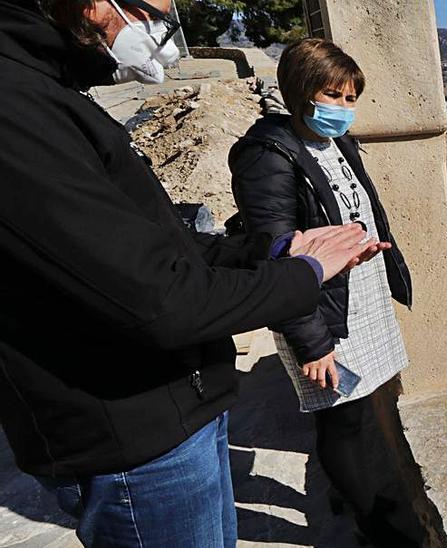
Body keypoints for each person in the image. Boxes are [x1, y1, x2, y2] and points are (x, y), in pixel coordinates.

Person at [0, 1, 387, 546]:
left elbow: (161, 246)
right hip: (136, 440)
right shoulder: (17, 107)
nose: (162, 29)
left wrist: (277, 255)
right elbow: (162, 299)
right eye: (151, 10)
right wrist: (302, 275)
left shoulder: (50, 90)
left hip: (180, 408)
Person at [229, 38, 423, 546]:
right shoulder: (266, 157)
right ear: (300, 92)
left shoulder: (335, 141)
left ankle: (346, 492)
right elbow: (277, 254)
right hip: (316, 306)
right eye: (331, 96)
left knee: (354, 411)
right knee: (342, 418)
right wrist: (309, 341)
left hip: (359, 295)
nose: (342, 109)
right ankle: (375, 528)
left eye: (351, 98)